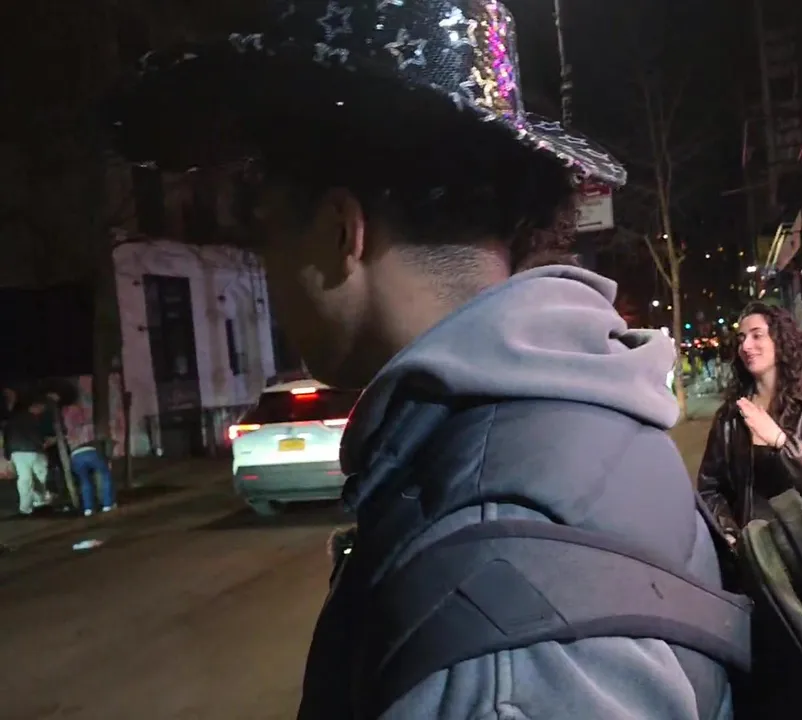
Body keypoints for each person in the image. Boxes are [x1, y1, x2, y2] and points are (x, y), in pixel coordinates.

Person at [105, 1, 730, 718]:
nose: (270, 274)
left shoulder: (494, 643)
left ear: (341, 232)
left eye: (269, 232)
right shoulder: (585, 412)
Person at [697, 301, 802, 544]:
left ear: (779, 340)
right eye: (741, 339)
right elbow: (710, 488)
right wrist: (730, 533)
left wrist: (782, 442)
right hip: (753, 547)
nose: (746, 346)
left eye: (757, 335)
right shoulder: (731, 414)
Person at [3, 399, 54, 516]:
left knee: (25, 480)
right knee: (40, 478)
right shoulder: (34, 419)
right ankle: (40, 503)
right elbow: (37, 435)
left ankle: (25, 507)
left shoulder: (11, 421)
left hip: (17, 452)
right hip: (34, 450)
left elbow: (7, 438)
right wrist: (43, 443)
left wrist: (8, 454)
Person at [70, 440, 115, 517]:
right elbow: (106, 457)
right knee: (106, 475)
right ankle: (107, 505)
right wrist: (108, 462)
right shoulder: (101, 444)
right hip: (91, 453)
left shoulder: (85, 443)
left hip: (75, 456)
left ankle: (88, 509)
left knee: (85, 482)